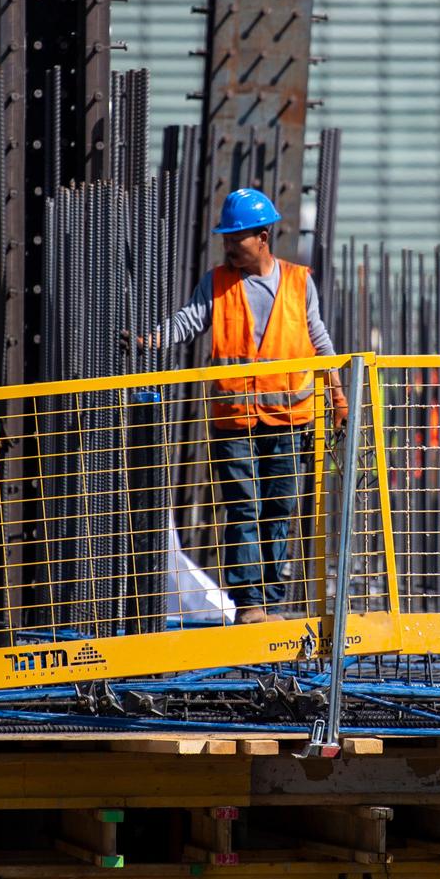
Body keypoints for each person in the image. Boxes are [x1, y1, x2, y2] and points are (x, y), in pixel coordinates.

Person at [132, 188, 345, 625]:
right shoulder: (217, 283)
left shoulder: (299, 282)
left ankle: (271, 600)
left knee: (279, 511)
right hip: (235, 421)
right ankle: (250, 604)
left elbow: (319, 340)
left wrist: (338, 396)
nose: (228, 246)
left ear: (262, 237)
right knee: (244, 508)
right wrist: (152, 340)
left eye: (236, 238)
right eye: (226, 238)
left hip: (289, 421)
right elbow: (189, 321)